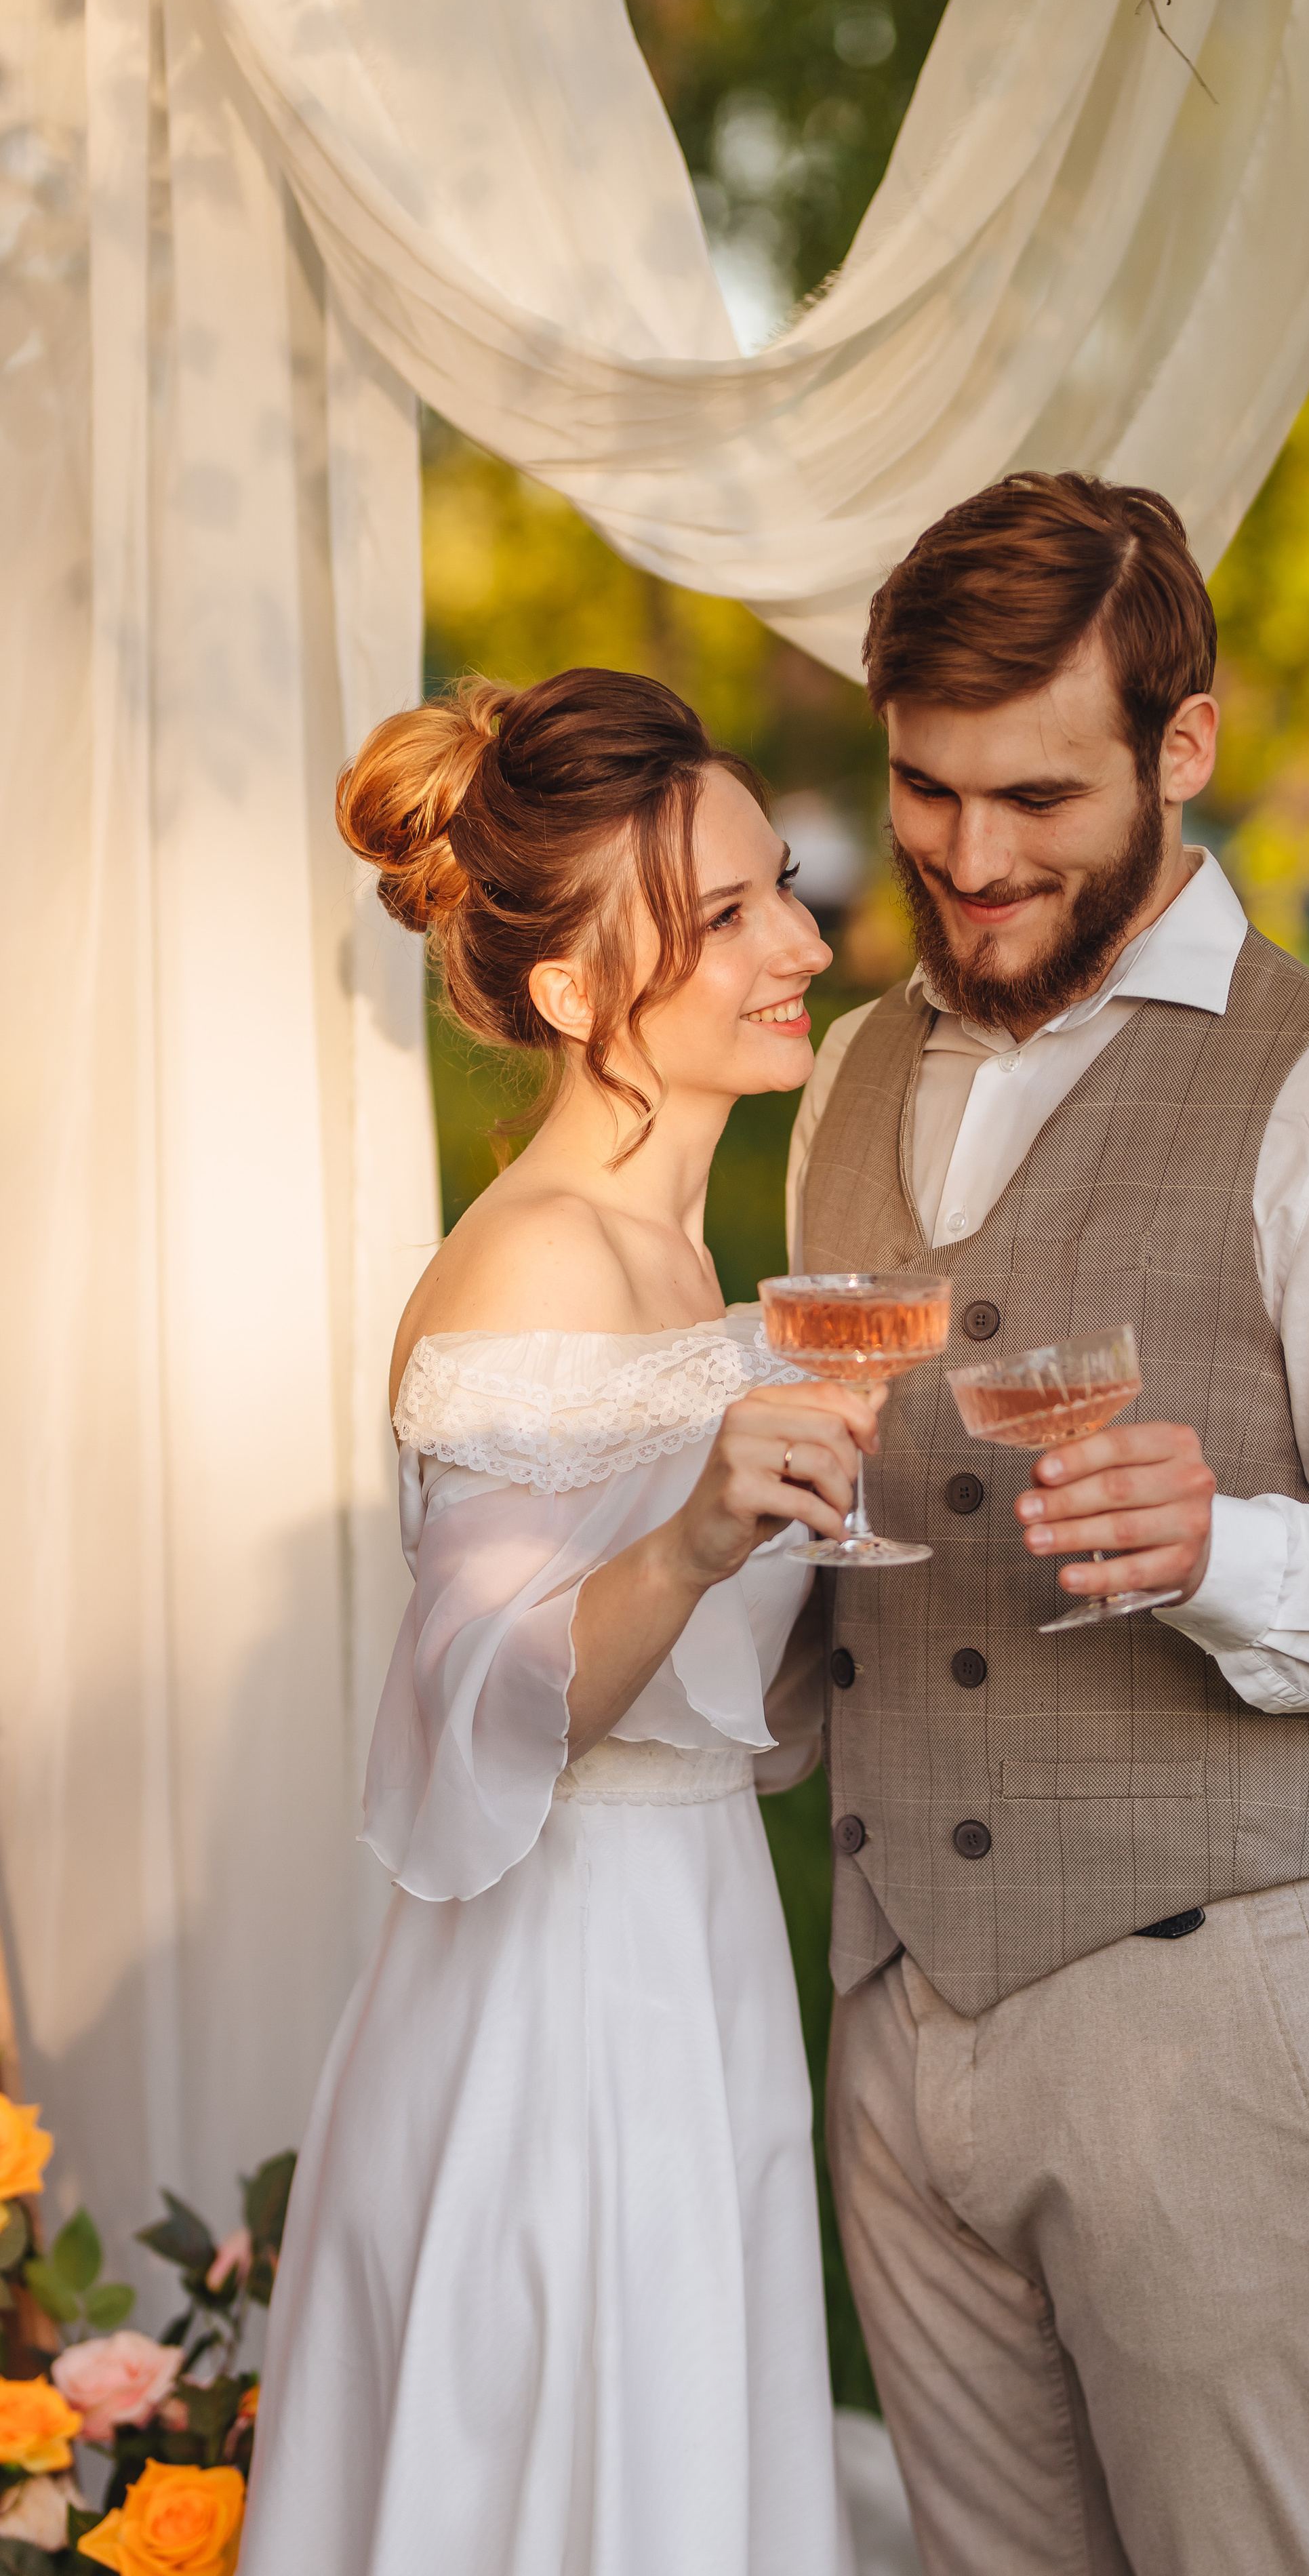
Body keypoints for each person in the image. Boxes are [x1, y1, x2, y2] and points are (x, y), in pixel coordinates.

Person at [781, 473, 1309, 2576]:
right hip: (900, 2018)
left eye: (1038, 794)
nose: (972, 855)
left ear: (1176, 748)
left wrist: (1228, 1553)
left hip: (1215, 2017)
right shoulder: (847, 1070)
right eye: (928, 792)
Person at [241, 668, 872, 2576]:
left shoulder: (684, 1255)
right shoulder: (531, 1259)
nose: (805, 942)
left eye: (784, 887)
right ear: (583, 993)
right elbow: (463, 1686)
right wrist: (692, 1538)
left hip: (698, 1957)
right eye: (736, 915)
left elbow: (719, 1703)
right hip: (570, 2009)